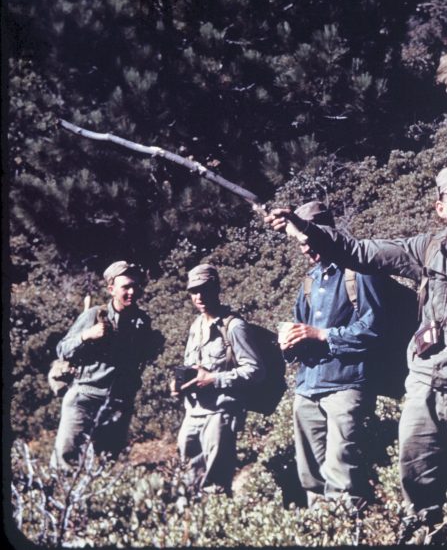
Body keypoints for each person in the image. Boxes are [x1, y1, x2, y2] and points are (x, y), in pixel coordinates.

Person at [265, 164, 447, 543]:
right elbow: (358, 252)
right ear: (440, 207)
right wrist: (305, 228)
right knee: (418, 500)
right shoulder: (425, 249)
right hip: (424, 389)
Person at [280, 200, 384, 510]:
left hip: (346, 385)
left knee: (343, 476)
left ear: (325, 232)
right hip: (308, 387)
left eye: (308, 240)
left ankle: (351, 524)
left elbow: (374, 330)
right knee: (310, 476)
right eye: (300, 243)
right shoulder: (309, 281)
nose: (304, 249)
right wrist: (289, 344)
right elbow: (301, 327)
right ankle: (322, 525)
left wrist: (323, 335)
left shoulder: (359, 272)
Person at [172, 264, 265, 495]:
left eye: (204, 289)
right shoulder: (196, 325)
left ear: (216, 288)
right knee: (187, 476)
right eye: (194, 291)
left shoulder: (234, 327)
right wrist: (179, 384)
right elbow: (191, 366)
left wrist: (214, 379)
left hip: (221, 413)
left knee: (215, 483)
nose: (199, 296)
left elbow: (255, 370)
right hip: (194, 411)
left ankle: (217, 513)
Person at [53, 261, 153, 469]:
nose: (132, 292)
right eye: (126, 287)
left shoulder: (142, 322)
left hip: (118, 402)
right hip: (84, 399)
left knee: (107, 463)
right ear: (111, 289)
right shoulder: (93, 315)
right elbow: (62, 349)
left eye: (135, 286)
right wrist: (86, 335)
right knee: (66, 462)